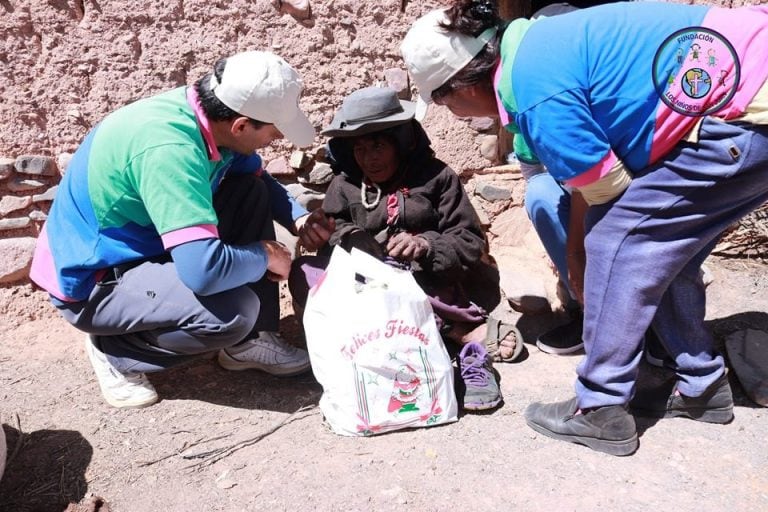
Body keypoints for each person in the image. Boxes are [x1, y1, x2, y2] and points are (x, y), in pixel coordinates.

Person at [401, 0, 768, 455]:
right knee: (668, 250)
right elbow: (597, 185)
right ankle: (699, 385)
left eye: (441, 99)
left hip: (743, 114)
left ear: (462, 83)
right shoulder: (539, 52)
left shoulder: (536, 89)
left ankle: (601, 408)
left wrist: (584, 257)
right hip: (750, 99)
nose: (452, 113)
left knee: (620, 242)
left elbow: (607, 198)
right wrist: (576, 254)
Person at [29, 51, 334, 409]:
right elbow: (203, 271)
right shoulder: (169, 150)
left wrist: (297, 218)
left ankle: (248, 343)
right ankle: (115, 350)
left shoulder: (209, 118)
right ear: (240, 126)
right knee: (233, 312)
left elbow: (255, 177)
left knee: (248, 192)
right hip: (94, 281)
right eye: (274, 130)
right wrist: (264, 254)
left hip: (143, 247)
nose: (277, 137)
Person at [289, 86, 524, 411]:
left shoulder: (437, 177)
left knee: (411, 282)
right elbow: (333, 232)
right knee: (305, 273)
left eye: (378, 145)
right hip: (369, 289)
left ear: (402, 141)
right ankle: (454, 334)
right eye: (359, 148)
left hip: (425, 279)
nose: (368, 158)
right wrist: (339, 236)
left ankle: (461, 338)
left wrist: (426, 245)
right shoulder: (344, 186)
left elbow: (469, 240)